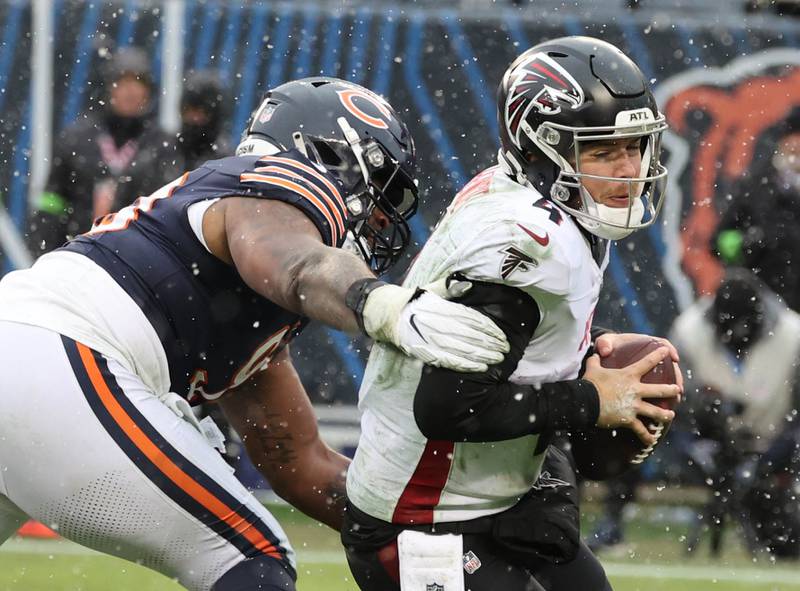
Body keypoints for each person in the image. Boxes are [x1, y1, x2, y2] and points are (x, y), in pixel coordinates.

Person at [0, 77, 509, 591]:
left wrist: (449, 537)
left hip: (30, 347)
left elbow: (300, 465)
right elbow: (298, 262)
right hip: (60, 354)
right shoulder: (271, 184)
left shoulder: (243, 305)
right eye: (381, 189)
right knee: (252, 556)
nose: (381, 219)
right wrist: (381, 305)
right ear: (329, 157)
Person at [342, 36, 681, 591]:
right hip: (422, 518)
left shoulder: (553, 204)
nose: (628, 169)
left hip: (482, 494)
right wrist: (591, 401)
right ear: (543, 150)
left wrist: (576, 360)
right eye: (602, 151)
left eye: (635, 146)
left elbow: (515, 350)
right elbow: (447, 407)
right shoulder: (528, 243)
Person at [28, 47, 174, 255]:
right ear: (108, 87)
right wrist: (45, 253)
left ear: (148, 90)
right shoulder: (76, 139)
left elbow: (168, 213)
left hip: (138, 262)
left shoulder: (161, 145)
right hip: (77, 256)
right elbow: (51, 203)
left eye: (138, 82)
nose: (130, 91)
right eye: (122, 82)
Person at [715, 107, 800, 310]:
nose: (797, 145)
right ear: (782, 142)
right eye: (793, 138)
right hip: (766, 308)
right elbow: (720, 241)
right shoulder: (754, 186)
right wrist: (748, 242)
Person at [116, 69, 232, 206]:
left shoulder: (226, 166)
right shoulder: (158, 156)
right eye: (189, 111)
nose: (195, 119)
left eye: (203, 113)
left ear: (215, 116)